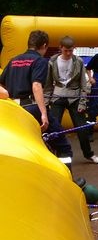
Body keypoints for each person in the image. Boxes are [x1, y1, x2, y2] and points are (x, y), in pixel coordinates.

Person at [0, 30, 74, 170]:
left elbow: (1, 84)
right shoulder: (40, 61)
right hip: (32, 108)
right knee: (62, 145)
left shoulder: (14, 60)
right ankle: (67, 177)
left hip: (14, 109)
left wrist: (7, 96)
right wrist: (43, 114)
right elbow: (36, 85)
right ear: (44, 45)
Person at [45, 35, 98, 164]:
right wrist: (46, 102)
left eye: (71, 50)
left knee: (82, 129)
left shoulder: (78, 61)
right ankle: (51, 156)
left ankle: (89, 154)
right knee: (54, 129)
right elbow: (48, 84)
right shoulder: (52, 61)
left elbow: (83, 84)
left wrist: (82, 102)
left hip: (74, 98)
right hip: (57, 97)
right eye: (66, 50)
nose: (68, 53)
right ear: (60, 48)